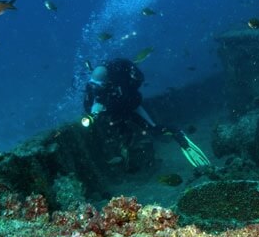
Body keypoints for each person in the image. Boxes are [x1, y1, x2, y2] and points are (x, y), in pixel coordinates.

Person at [82, 58, 210, 168]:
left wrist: (106, 107)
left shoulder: (119, 82)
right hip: (116, 114)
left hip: (131, 108)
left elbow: (128, 100)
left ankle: (178, 134)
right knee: (122, 138)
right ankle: (129, 162)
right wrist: (94, 111)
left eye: (99, 86)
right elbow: (88, 105)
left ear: (107, 81)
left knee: (154, 130)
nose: (95, 89)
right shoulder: (92, 87)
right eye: (93, 85)